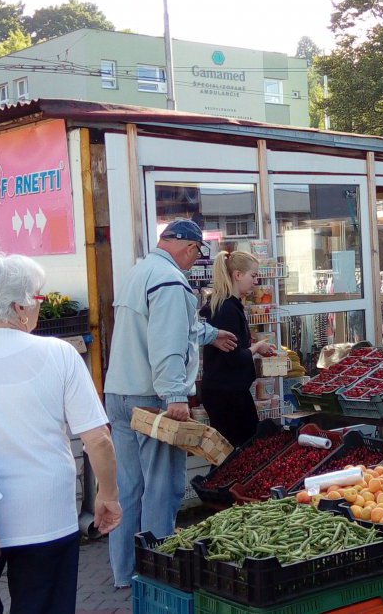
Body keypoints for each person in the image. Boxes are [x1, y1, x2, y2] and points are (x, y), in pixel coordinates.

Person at [0, 253, 122, 614]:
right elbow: (97, 439)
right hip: (46, 514)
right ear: (19, 306)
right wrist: (108, 493)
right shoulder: (59, 354)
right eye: (38, 298)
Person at [103, 219, 238, 589]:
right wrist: (175, 396)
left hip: (119, 392)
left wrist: (211, 333)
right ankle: (159, 570)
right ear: (190, 247)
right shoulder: (171, 281)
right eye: (197, 253)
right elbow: (167, 343)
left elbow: (175, 326)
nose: (195, 262)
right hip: (150, 399)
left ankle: (125, 573)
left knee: (128, 488)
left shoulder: (141, 272)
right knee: (161, 488)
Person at [200, 251, 274, 448]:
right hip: (227, 394)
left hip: (222, 391)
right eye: (253, 275)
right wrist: (257, 347)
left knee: (226, 452)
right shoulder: (228, 310)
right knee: (238, 453)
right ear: (238, 275)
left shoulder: (223, 305)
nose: (256, 281)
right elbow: (235, 358)